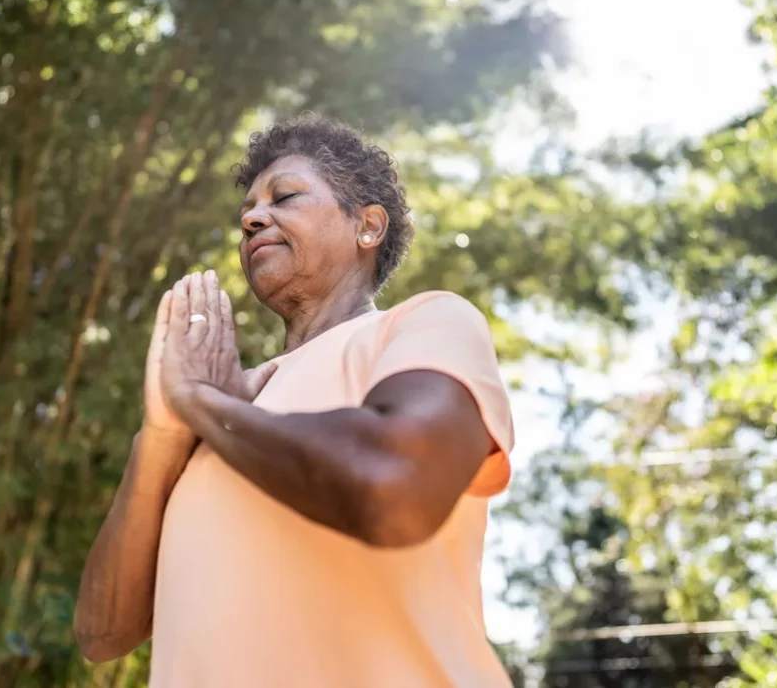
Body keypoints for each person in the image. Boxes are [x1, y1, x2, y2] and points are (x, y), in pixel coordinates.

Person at [74, 114, 515, 687]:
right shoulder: (209, 405)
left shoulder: (423, 323)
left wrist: (206, 406)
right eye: (248, 213)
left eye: (285, 196)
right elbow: (102, 633)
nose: (253, 218)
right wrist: (163, 430)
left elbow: (393, 483)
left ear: (368, 226)